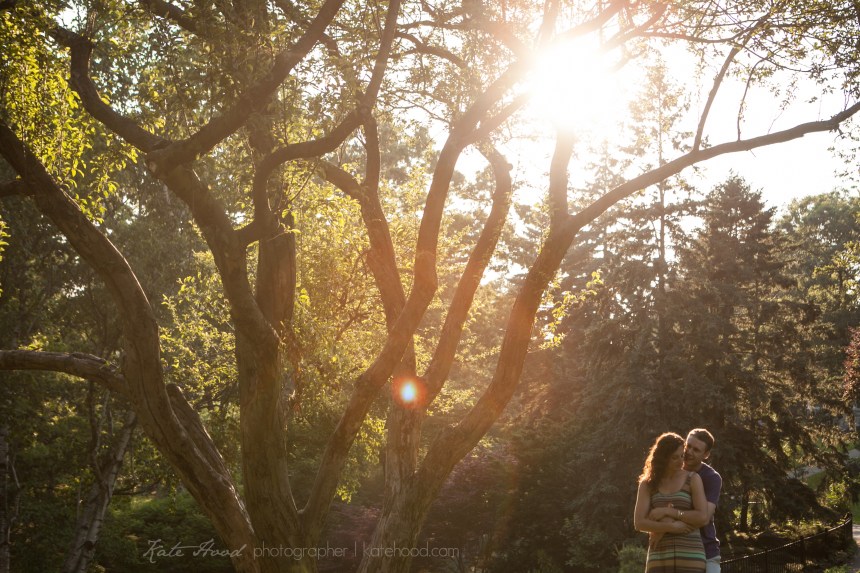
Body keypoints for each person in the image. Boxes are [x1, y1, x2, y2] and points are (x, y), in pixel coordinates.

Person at [648, 429, 722, 573]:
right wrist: (667, 526)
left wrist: (668, 515)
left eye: (696, 450)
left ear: (706, 455)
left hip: (706, 550)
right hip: (670, 549)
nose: (689, 452)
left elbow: (704, 517)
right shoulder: (670, 471)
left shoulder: (711, 478)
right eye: (688, 446)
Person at [634, 432, 707, 572]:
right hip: (659, 555)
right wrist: (671, 527)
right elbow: (639, 523)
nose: (681, 462)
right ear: (663, 458)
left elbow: (702, 517)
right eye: (675, 458)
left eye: (682, 456)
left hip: (690, 555)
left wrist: (668, 512)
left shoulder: (693, 479)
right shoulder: (647, 484)